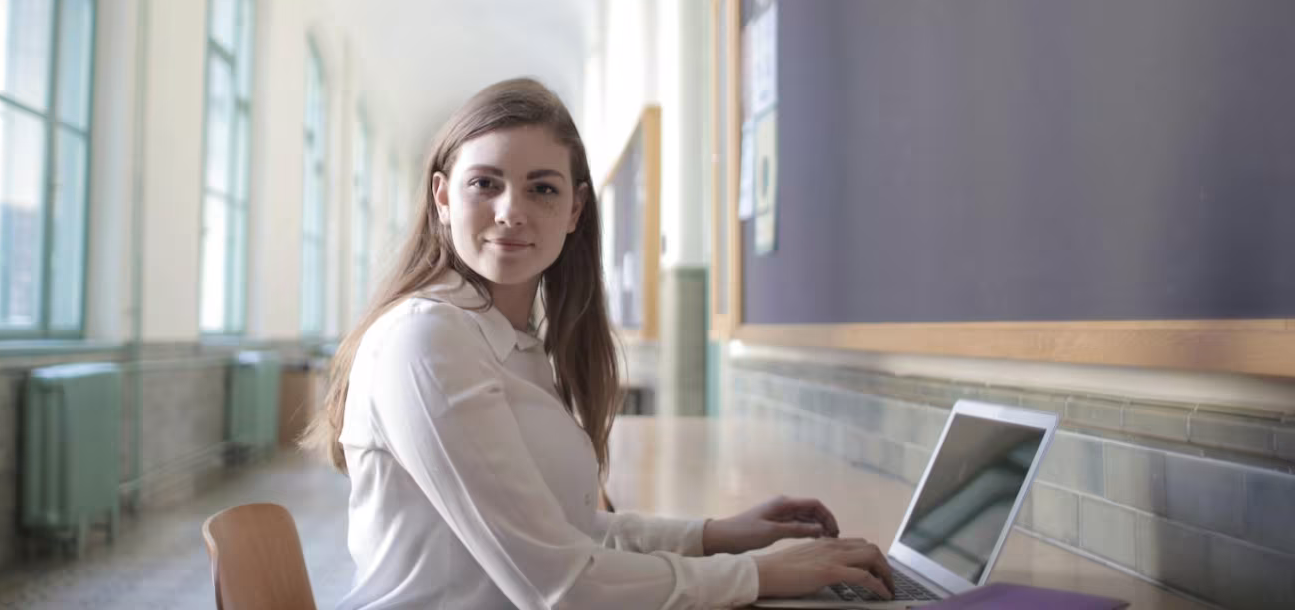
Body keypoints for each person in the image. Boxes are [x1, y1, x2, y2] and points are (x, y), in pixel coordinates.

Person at [303, 78, 894, 608]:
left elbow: (561, 530)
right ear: (441, 197)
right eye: (485, 183)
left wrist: (712, 535)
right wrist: (755, 573)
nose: (512, 211)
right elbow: (563, 585)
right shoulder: (425, 339)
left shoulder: (515, 342)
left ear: (574, 209)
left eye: (542, 189)